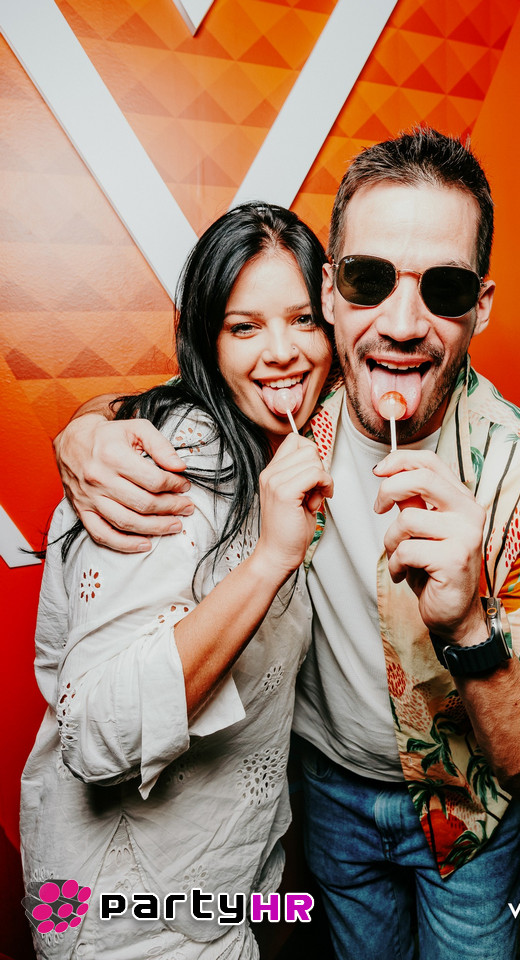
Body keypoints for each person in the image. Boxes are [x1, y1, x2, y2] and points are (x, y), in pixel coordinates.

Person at [53, 128, 520, 960]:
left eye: (445, 287)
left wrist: (471, 629)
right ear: (331, 291)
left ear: (482, 305)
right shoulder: (294, 403)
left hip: (467, 815)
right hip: (325, 800)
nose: (403, 323)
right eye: (369, 279)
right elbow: (196, 390)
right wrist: (85, 428)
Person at [21, 202, 334, 960]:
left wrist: (87, 417)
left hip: (219, 889)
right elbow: (96, 736)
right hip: (130, 918)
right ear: (204, 339)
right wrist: (269, 562)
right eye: (244, 327)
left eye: (303, 319)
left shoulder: (278, 439)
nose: (283, 352)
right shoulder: (171, 468)